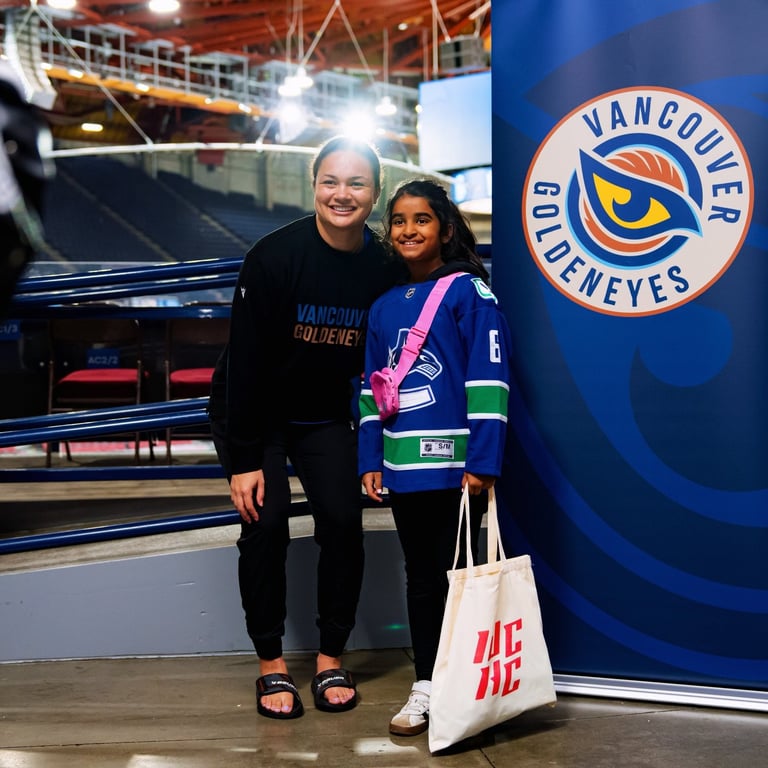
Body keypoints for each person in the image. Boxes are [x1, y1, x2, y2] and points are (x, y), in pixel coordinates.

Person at [219, 135, 407, 720]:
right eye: (331, 180)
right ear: (314, 183)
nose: (342, 194)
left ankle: (330, 657)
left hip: (324, 414)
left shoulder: (382, 265)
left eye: (356, 183)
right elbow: (245, 364)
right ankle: (271, 664)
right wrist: (245, 458)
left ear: (375, 194)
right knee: (266, 522)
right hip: (256, 414)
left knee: (344, 524)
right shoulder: (274, 257)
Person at [357, 178, 511, 736]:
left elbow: (489, 376)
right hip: (405, 469)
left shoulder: (471, 293)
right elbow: (371, 390)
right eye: (398, 220)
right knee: (420, 580)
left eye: (421, 220)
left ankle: (470, 687)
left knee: (464, 579)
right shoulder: (381, 306)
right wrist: (370, 457)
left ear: (445, 229)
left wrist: (484, 459)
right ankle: (426, 683)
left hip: (458, 467)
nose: (408, 230)